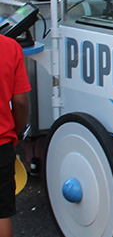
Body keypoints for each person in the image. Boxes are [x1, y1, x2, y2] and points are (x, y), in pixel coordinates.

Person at [0, 34, 31, 237]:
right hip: (1, 142)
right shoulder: (9, 47)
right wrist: (17, 133)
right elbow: (20, 102)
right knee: (1, 215)